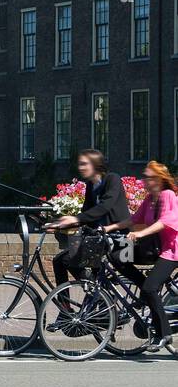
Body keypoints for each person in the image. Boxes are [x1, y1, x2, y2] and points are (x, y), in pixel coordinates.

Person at [106, 161, 178, 352]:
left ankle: (164, 334)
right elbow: (134, 219)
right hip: (155, 248)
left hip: (172, 251)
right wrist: (109, 228)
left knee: (150, 288)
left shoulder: (167, 195)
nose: (143, 180)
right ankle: (143, 287)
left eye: (147, 177)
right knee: (118, 255)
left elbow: (166, 221)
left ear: (158, 179)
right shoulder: (149, 199)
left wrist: (139, 234)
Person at [45, 149, 131, 285]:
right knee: (59, 261)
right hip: (99, 238)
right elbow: (86, 212)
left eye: (84, 164)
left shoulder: (112, 179)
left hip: (118, 237)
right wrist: (59, 224)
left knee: (68, 261)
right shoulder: (91, 185)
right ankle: (65, 305)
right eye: (80, 164)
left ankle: (101, 294)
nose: (81, 167)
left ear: (96, 164)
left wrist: (76, 219)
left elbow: (104, 206)